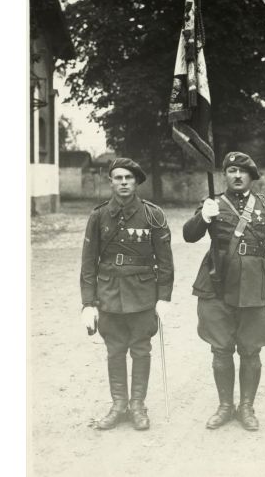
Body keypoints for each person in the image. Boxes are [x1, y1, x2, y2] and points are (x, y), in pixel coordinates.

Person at [183, 152, 265, 431]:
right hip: (217, 284)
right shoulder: (213, 203)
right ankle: (225, 406)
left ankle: (246, 407)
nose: (237, 176)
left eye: (242, 171)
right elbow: (189, 235)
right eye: (231, 170)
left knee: (251, 350)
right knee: (220, 349)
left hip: (254, 286)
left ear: (252, 177)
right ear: (224, 175)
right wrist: (203, 218)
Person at [80, 157, 174, 431]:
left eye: (128, 178)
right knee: (114, 350)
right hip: (108, 294)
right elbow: (88, 263)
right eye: (118, 178)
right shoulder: (99, 216)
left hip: (143, 294)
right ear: (111, 182)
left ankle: (137, 405)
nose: (123, 182)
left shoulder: (153, 215)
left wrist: (164, 297)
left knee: (141, 350)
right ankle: (118, 404)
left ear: (136, 182)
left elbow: (165, 261)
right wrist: (88, 303)